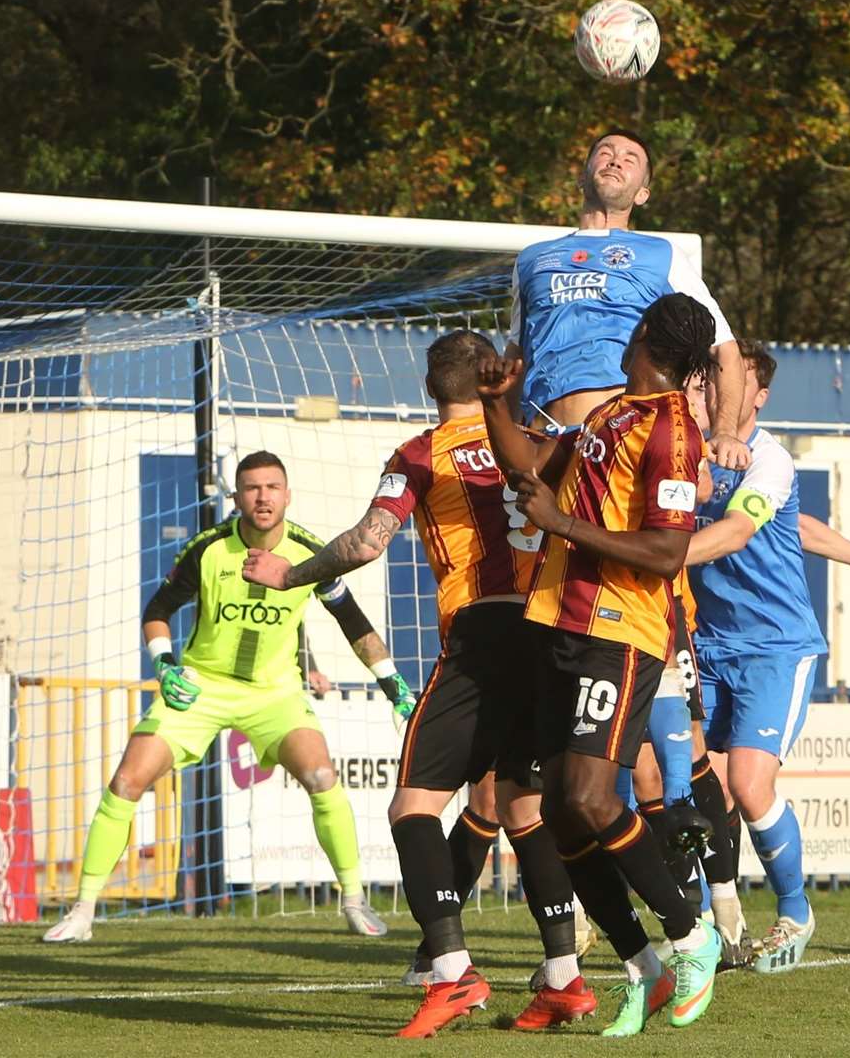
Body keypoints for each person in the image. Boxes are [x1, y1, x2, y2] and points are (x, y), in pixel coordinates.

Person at [243, 329, 595, 1035]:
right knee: (522, 811)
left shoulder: (418, 455)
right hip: (554, 635)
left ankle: (451, 972)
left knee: (411, 807)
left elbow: (367, 541)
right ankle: (562, 978)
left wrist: (291, 572)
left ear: (430, 390)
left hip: (482, 636)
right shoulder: (535, 443)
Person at [479, 292, 723, 1038]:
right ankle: (643, 968)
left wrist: (562, 523)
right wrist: (497, 403)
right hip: (557, 615)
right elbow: (528, 464)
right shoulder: (611, 412)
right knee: (557, 811)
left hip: (618, 627)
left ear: (647, 338)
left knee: (589, 793)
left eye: (632, 327)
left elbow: (668, 551)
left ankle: (692, 937)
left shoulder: (676, 437)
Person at [43, 451, 412, 944]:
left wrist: (393, 686)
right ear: (237, 497)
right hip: (201, 687)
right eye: (253, 488)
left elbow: (354, 624)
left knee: (322, 776)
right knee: (127, 781)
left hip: (275, 693)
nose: (263, 497)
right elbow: (157, 610)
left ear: (287, 494)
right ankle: (82, 910)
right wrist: (166, 665)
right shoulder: (208, 548)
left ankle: (353, 900)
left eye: (272, 487)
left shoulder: (311, 552)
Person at [685, 339, 831, 974]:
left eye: (727, 381)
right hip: (710, 644)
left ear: (756, 396)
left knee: (747, 782)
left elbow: (742, 530)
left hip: (776, 647)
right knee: (693, 786)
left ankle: (796, 911)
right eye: (707, 380)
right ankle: (714, 922)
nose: (714, 392)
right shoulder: (688, 453)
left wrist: (659, 556)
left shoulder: (768, 461)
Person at [509, 128, 749, 469]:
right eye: (606, 152)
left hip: (623, 443)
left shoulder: (662, 254)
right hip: (542, 446)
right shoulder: (532, 259)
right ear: (582, 177)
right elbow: (515, 357)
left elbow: (724, 347)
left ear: (642, 194)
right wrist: (498, 433)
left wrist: (725, 431)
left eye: (630, 159)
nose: (616, 160)